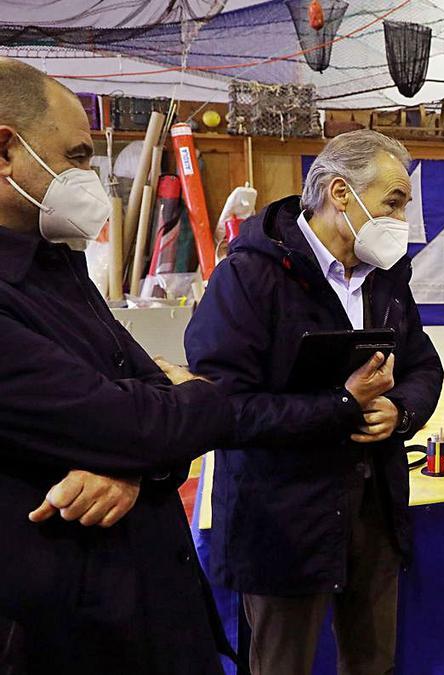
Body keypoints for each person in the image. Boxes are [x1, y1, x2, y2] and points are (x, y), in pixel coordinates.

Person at [0, 58, 236, 674]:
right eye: (77, 157)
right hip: (67, 639)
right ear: (5, 152)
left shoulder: (57, 270)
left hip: (153, 611)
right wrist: (190, 398)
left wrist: (134, 469)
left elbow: (138, 425)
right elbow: (147, 421)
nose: (90, 178)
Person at [185, 130, 444, 675]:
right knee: (283, 664)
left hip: (374, 512)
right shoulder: (249, 276)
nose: (402, 220)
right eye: (393, 202)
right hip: (282, 521)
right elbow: (224, 409)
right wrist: (342, 406)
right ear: (339, 193)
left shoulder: (388, 276)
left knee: (373, 663)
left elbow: (423, 366)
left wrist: (402, 413)